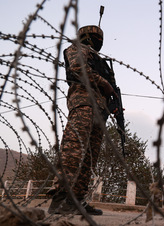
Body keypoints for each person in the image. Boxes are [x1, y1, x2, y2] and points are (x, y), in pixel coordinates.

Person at [48, 25, 116, 215]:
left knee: (89, 159)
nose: (96, 41)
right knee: (73, 149)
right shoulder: (78, 49)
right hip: (84, 103)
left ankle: (76, 201)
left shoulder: (101, 62)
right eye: (94, 37)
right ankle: (60, 198)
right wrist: (105, 84)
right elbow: (78, 69)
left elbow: (110, 90)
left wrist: (113, 104)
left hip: (100, 111)